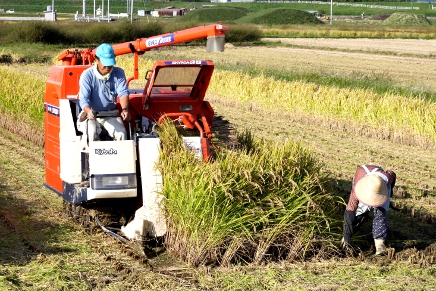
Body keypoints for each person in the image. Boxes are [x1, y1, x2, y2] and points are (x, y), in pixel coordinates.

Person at [77, 43, 130, 143]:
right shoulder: (87, 75)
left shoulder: (118, 73)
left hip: (111, 113)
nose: (108, 66)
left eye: (110, 63)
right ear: (96, 59)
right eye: (105, 63)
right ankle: (91, 158)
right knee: (91, 133)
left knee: (122, 134)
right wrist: (88, 111)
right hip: (91, 113)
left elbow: (123, 93)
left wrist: (125, 109)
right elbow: (84, 98)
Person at [341, 164, 396, 255]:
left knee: (380, 213)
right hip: (364, 179)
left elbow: (392, 174)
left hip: (381, 187)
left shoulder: (386, 179)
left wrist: (390, 192)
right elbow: (350, 210)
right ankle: (346, 238)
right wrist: (347, 236)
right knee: (360, 212)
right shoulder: (357, 188)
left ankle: (380, 246)